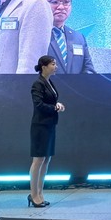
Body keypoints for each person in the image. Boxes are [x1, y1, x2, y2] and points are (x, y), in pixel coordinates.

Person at [29, 55, 65, 208]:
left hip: (50, 124)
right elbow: (38, 104)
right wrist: (54, 107)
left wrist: (57, 104)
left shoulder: (49, 82)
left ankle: (40, 193)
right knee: (38, 160)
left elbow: (50, 100)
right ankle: (33, 195)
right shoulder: (37, 84)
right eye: (53, 64)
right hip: (40, 126)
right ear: (44, 67)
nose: (55, 66)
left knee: (46, 160)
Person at [41, 0, 96, 74]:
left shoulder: (78, 37)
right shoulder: (35, 34)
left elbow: (89, 69)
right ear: (42, 5)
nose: (61, 7)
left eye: (66, 2)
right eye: (55, 2)